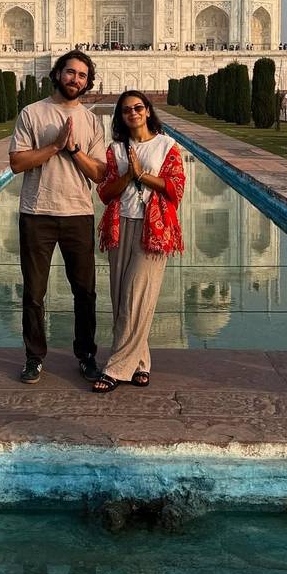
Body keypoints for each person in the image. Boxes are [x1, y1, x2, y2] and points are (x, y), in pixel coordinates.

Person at [9, 50, 106, 385]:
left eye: (81, 75)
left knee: (85, 291)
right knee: (34, 292)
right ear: (58, 74)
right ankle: (34, 357)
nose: (75, 79)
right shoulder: (32, 113)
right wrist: (53, 146)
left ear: (87, 82)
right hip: (37, 213)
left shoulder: (92, 121)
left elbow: (99, 173)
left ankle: (87, 355)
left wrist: (75, 149)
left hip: (78, 212)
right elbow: (17, 163)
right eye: (70, 72)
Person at [92, 91, 185, 394]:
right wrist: (128, 175)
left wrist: (141, 175)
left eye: (137, 108)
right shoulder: (116, 148)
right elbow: (105, 193)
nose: (132, 113)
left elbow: (176, 189)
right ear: (120, 116)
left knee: (135, 297)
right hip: (120, 225)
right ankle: (141, 363)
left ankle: (115, 368)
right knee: (122, 298)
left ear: (147, 111)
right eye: (126, 110)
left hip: (154, 230)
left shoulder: (167, 146)